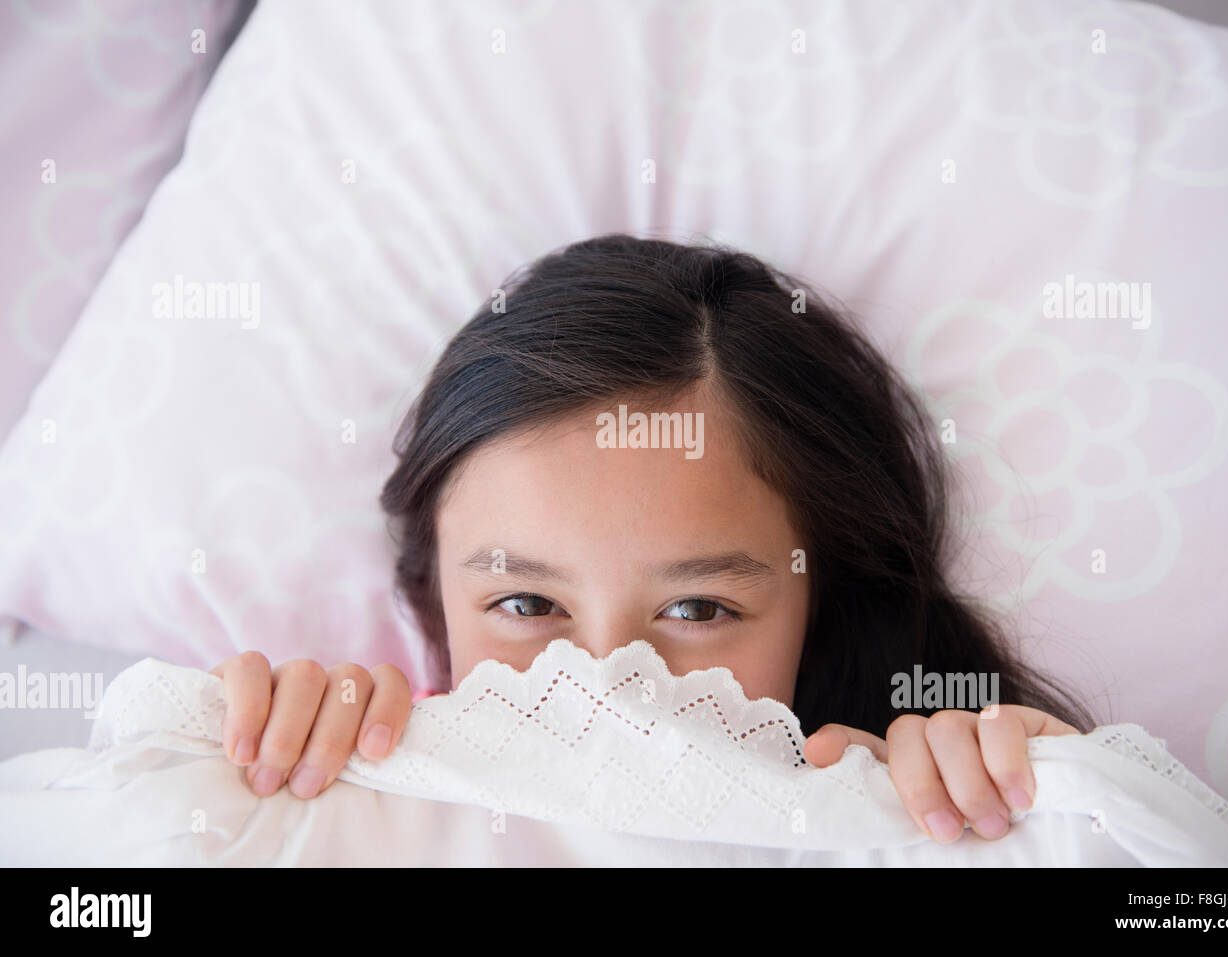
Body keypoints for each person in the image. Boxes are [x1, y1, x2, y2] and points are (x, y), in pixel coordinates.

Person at [210, 233, 1097, 844]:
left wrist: (1065, 813)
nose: (608, 683)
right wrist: (241, 779)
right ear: (433, 595)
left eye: (698, 607)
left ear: (819, 604)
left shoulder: (924, 821)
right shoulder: (342, 808)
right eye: (524, 603)